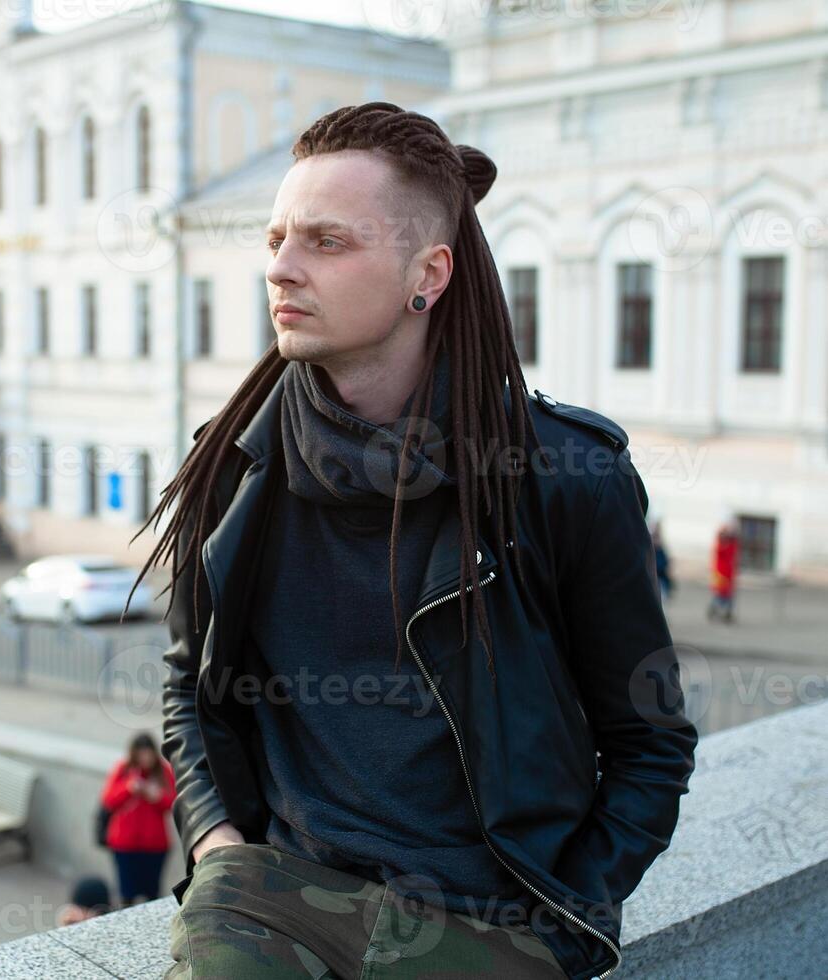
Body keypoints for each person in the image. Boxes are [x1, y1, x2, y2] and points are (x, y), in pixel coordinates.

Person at [127, 102, 698, 980]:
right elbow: (187, 681)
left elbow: (649, 737)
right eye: (276, 238)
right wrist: (214, 840)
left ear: (425, 275)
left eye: (325, 241)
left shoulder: (558, 478)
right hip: (274, 894)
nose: (278, 268)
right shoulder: (237, 462)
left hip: (487, 919)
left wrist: (564, 920)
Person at [98, 732, 176, 908]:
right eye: (141, 754)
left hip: (154, 845)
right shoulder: (123, 769)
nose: (145, 758)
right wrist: (128, 788)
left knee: (152, 893)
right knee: (127, 894)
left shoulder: (163, 771)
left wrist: (157, 797)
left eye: (148, 753)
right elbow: (108, 800)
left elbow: (174, 803)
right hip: (125, 844)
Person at [708, 520, 740, 624]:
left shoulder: (731, 545)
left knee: (729, 595)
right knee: (719, 594)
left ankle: (727, 614)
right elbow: (720, 549)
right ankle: (714, 609)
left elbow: (734, 544)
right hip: (720, 573)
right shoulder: (720, 545)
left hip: (729, 573)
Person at [651, 519, 674, 603]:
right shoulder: (651, 546)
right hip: (655, 576)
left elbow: (665, 563)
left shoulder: (661, 548)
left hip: (660, 577)